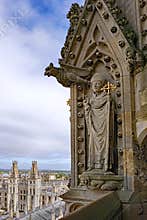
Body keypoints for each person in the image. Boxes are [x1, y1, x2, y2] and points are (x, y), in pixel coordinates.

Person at [83, 72, 115, 172]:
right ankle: (93, 164)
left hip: (104, 126)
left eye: (98, 83)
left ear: (102, 85)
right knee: (92, 144)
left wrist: (109, 105)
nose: (96, 86)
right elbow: (88, 112)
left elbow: (110, 113)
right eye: (94, 84)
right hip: (94, 126)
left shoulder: (107, 97)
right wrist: (86, 107)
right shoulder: (90, 100)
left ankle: (105, 164)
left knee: (104, 143)